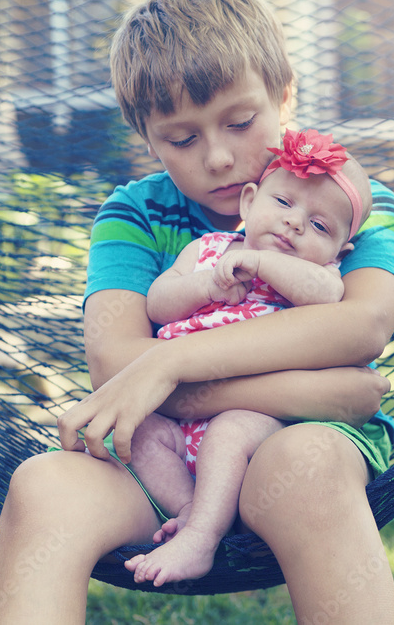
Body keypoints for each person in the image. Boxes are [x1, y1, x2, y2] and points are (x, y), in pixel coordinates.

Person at [0, 0, 394, 624]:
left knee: (309, 463)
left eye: (241, 122)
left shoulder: (348, 204)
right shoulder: (131, 215)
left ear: (284, 96)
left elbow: (362, 325)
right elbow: (113, 364)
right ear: (148, 141)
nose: (219, 157)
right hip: (163, 461)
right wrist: (311, 388)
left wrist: (167, 364)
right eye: (181, 139)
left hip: (296, 442)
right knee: (43, 486)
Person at [124, 128, 374, 587]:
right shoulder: (207, 251)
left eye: (320, 226)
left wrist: (263, 264)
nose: (295, 223)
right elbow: (158, 303)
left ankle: (202, 537)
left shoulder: (317, 274)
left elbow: (328, 295)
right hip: (178, 421)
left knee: (228, 431)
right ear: (248, 203)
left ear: (341, 251)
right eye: (283, 204)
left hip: (254, 415)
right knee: (141, 432)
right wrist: (202, 286)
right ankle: (189, 509)